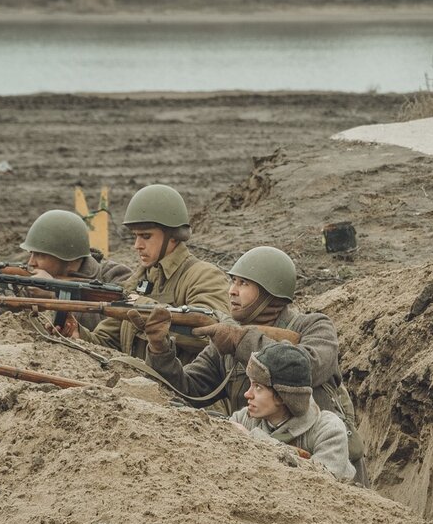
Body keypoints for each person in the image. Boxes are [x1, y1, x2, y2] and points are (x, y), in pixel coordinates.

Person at [126, 246, 367, 483]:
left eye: (243, 284)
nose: (232, 291)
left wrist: (241, 341)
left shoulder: (313, 326)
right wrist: (160, 348)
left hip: (327, 461)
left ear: (270, 291)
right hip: (259, 469)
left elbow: (307, 368)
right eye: (232, 282)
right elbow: (188, 390)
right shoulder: (229, 337)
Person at [63, 184, 230, 361]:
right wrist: (79, 333)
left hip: (183, 386)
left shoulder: (204, 276)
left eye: (146, 236)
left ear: (173, 236)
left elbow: (213, 336)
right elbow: (108, 341)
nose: (137, 245)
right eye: (135, 236)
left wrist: (143, 307)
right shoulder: (137, 282)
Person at [0, 209, 131, 329]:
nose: (31, 262)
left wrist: (54, 297)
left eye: (40, 254)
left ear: (69, 259)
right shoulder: (34, 281)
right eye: (31, 253)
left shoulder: (115, 276)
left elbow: (119, 327)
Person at [229, 342, 355, 481]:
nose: (247, 394)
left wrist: (254, 439)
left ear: (283, 397)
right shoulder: (243, 420)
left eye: (258, 387)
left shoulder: (328, 430)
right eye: (250, 384)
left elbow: (320, 483)